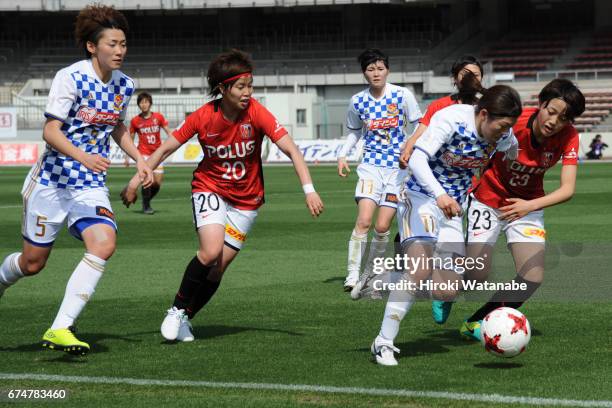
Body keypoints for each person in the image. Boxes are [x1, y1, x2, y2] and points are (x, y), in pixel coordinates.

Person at [120, 49, 324, 342]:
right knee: (211, 251)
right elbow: (165, 149)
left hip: (247, 200)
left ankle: (186, 319)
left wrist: (309, 190)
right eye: (240, 86)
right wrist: (133, 181)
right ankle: (176, 309)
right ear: (222, 88)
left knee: (217, 271)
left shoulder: (257, 112)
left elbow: (292, 150)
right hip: (210, 187)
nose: (247, 92)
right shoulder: (203, 117)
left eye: (250, 85)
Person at [0, 5, 152, 355]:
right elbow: (50, 131)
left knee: (103, 244)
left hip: (89, 184)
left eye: (124, 43)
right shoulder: (70, 77)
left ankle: (61, 327)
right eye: (112, 43)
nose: (119, 50)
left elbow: (116, 125)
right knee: (32, 263)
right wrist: (83, 155)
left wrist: (140, 157)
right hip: (52, 181)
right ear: (91, 46)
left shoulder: (125, 85)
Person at [370, 85, 522, 366]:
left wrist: (512, 154)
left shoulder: (504, 135)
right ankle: (384, 342)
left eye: (509, 126)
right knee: (419, 269)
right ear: (484, 114)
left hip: (453, 209)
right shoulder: (452, 119)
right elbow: (416, 158)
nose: (505, 132)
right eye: (502, 125)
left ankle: (381, 280)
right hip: (420, 196)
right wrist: (439, 194)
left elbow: (512, 149)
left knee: (447, 291)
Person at [459, 78, 585, 341]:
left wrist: (529, 206)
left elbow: (567, 189)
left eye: (563, 118)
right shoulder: (515, 123)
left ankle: (478, 322)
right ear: (541, 104)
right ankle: (446, 286)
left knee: (533, 276)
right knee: (477, 274)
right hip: (489, 199)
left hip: (528, 205)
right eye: (551, 112)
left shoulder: (569, 136)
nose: (554, 122)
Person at [337, 48, 422, 292]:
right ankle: (352, 274)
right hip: (371, 167)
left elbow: (419, 124)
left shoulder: (402, 95)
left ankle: (372, 270)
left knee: (383, 226)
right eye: (371, 69)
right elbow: (354, 131)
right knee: (364, 220)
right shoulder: (358, 101)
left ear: (388, 70)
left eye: (380, 68)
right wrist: (344, 154)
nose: (376, 73)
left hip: (398, 170)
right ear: (364, 73)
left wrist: (410, 147)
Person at [128, 92, 173, 214]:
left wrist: (174, 140)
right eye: (141, 102)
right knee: (148, 180)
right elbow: (130, 139)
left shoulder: (158, 117)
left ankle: (146, 201)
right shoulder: (135, 121)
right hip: (144, 154)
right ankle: (146, 205)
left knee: (157, 183)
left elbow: (168, 131)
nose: (144, 104)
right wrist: (127, 156)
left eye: (146, 102)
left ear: (150, 103)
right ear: (138, 105)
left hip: (157, 154)